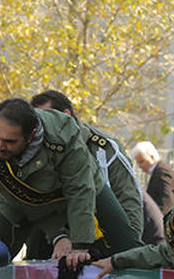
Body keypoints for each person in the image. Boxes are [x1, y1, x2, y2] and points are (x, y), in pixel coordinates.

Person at [0, 97, 137, 260]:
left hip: (73, 200)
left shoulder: (63, 135)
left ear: (31, 136)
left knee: (126, 248)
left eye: (10, 141)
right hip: (18, 203)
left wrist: (80, 245)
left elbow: (80, 190)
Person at [32, 89, 144, 241]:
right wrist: (59, 237)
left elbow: (129, 201)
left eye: (48, 119)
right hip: (53, 239)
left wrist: (128, 249)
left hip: (100, 239)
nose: (43, 128)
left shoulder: (105, 149)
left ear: (66, 115)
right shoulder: (36, 150)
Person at [130, 140, 174, 215]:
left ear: (152, 157)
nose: (139, 166)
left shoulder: (162, 172)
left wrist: (157, 220)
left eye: (141, 161)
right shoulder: (158, 172)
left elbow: (167, 201)